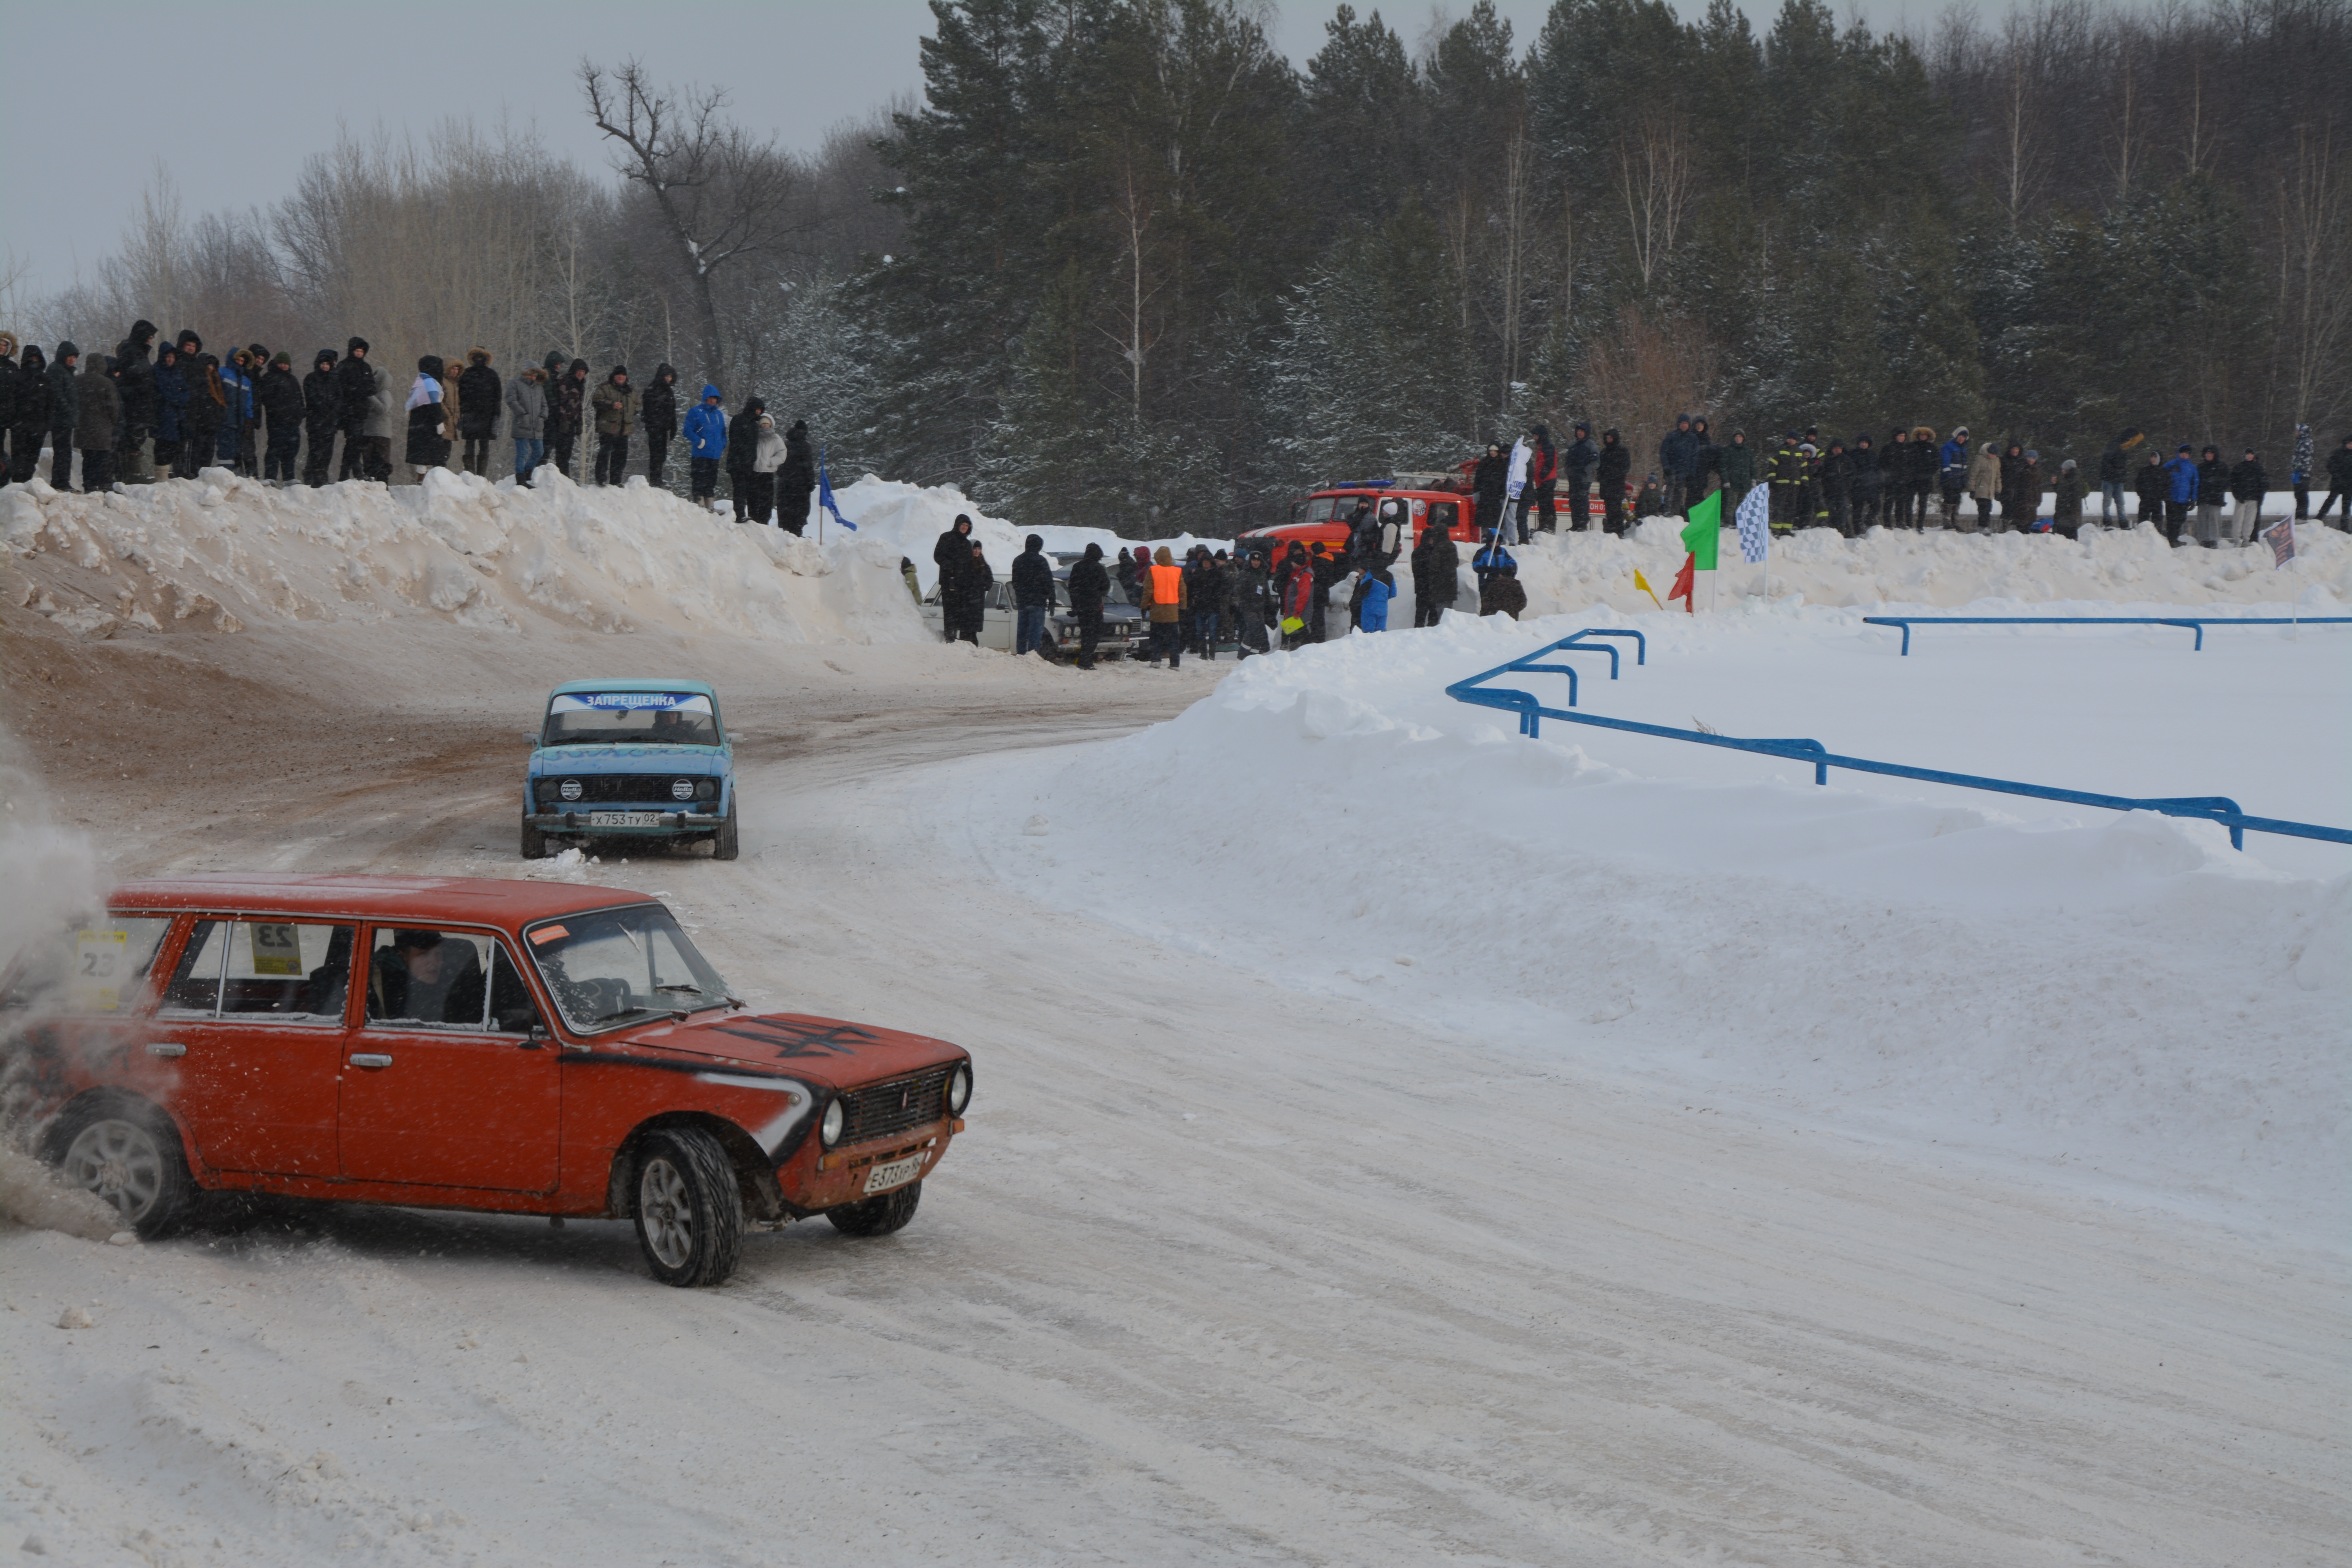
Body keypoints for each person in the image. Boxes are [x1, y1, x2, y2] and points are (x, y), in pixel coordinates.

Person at [110, 319, 158, 485]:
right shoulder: (131, 351)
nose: (150, 340)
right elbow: (130, 376)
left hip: (140, 403)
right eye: (149, 337)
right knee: (133, 438)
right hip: (135, 403)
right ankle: (132, 474)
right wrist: (142, 386)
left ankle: (131, 474)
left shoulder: (138, 352)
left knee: (137, 437)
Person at [74, 353, 120, 492]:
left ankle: (89, 485)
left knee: (87, 458)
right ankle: (104, 486)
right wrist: (112, 423)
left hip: (83, 428)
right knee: (103, 458)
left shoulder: (77, 381)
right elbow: (114, 408)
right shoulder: (106, 383)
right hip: (102, 428)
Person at [334, 338, 378, 481]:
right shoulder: (344, 366)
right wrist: (357, 390)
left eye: (362, 352)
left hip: (361, 410)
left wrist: (362, 390)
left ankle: (344, 474)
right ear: (352, 351)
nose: (359, 354)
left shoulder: (366, 368)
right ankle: (357, 472)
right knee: (354, 442)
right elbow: (339, 388)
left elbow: (372, 387)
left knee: (354, 443)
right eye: (357, 351)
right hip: (348, 411)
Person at [259, 352, 304, 483]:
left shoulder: (293, 379)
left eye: (286, 364)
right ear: (277, 363)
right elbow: (267, 399)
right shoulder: (270, 377)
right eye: (282, 363)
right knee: (275, 449)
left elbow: (300, 399)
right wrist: (279, 411)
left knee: (291, 451)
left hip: (293, 422)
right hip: (277, 422)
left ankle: (289, 478)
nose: (284, 366)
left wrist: (300, 414)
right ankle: (270, 476)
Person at [456, 349, 501, 477]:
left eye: (482, 357)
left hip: (487, 416)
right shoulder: (466, 374)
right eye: (477, 357)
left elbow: (498, 397)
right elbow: (460, 396)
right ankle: (470, 476)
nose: (479, 359)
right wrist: (460, 415)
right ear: (473, 358)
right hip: (469, 415)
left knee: (484, 445)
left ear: (486, 359)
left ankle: (481, 477)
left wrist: (497, 416)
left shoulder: (492, 375)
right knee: (469, 444)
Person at [8, 344, 49, 485]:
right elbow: (11, 400)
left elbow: (51, 403)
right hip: (20, 425)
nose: (34, 361)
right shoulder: (18, 377)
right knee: (19, 456)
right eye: (31, 358)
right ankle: (18, 484)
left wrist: (47, 423)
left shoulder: (45, 380)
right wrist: (14, 421)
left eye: (37, 358)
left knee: (32, 458)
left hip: (39, 425)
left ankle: (27, 482)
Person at [933, 514, 976, 641]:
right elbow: (938, 555)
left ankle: (955, 635)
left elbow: (969, 564)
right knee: (949, 609)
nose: (964, 527)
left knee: (959, 610)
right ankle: (949, 635)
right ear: (957, 525)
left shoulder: (967, 544)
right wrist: (951, 567)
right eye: (963, 525)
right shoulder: (946, 537)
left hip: (962, 583)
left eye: (967, 526)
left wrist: (969, 579)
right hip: (949, 580)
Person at [1141, 544, 1187, 667]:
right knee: (1173, 639)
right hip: (1172, 612)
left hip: (1157, 611)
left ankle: (1156, 660)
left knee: (1156, 637)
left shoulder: (1153, 571)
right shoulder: (1177, 571)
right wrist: (1183, 606)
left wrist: (1144, 606)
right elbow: (1182, 590)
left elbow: (1148, 591)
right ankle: (1175, 663)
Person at [180, 352, 223, 481]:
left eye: (213, 366)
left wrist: (219, 417)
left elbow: (220, 403)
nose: (211, 368)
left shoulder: (216, 382)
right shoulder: (198, 378)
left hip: (212, 423)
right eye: (209, 365)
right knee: (196, 449)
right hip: (200, 421)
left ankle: (205, 473)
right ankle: (193, 473)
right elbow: (196, 400)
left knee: (208, 450)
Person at [406, 356, 452, 475]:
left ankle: (421, 478)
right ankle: (432, 479)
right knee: (434, 453)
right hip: (428, 423)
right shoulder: (430, 383)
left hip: (418, 422)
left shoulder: (420, 381)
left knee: (421, 454)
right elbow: (434, 403)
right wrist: (439, 422)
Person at [1067, 541, 1110, 668]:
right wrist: (1097, 594)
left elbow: (1072, 587)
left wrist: (1076, 604)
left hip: (1080, 606)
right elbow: (1106, 586)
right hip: (1094, 605)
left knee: (1086, 633)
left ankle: (1084, 658)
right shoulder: (1098, 568)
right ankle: (1086, 660)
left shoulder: (1077, 567)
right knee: (1095, 634)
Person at [1410, 514, 1458, 627]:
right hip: (1424, 588)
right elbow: (1418, 572)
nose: (1432, 540)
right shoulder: (1419, 552)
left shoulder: (1438, 549)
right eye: (1430, 538)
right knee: (1421, 615)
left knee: (1434, 616)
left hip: (1434, 588)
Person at [724, 394, 767, 519]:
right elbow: (735, 440)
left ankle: (750, 515)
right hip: (737, 462)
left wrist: (751, 458)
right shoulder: (738, 420)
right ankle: (740, 514)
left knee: (749, 490)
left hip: (748, 463)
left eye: (760, 410)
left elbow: (753, 445)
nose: (758, 412)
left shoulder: (754, 425)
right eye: (757, 409)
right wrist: (745, 454)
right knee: (740, 489)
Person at [1011, 533, 1054, 655]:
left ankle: (1021, 654)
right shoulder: (1041, 561)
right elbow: (1048, 582)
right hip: (1037, 602)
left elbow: (1015, 582)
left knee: (1022, 632)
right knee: (1035, 633)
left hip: (1023, 601)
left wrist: (1021, 594)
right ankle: (1033, 656)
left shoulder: (1018, 560)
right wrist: (1051, 600)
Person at [301, 349, 339, 486]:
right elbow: (311, 398)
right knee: (316, 450)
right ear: (319, 364)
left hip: (330, 422)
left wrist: (333, 412)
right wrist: (324, 409)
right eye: (323, 364)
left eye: (327, 364)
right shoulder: (311, 378)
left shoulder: (334, 380)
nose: (325, 367)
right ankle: (312, 475)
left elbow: (339, 398)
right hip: (316, 421)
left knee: (328, 452)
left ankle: (322, 475)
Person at [683, 385, 725, 508]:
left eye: (715, 399)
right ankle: (699, 503)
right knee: (699, 478)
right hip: (700, 453)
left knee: (712, 480)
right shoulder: (696, 412)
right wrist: (699, 442)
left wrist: (722, 444)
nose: (713, 401)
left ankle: (710, 505)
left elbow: (723, 432)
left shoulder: (719, 414)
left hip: (715, 454)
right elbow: (687, 430)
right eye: (710, 398)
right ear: (705, 398)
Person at [43, 341, 79, 489]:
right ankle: (61, 482)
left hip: (65, 419)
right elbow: (57, 395)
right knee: (63, 452)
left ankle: (63, 481)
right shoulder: (56, 370)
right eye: (70, 356)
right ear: (63, 356)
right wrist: (69, 411)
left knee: (65, 452)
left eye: (75, 357)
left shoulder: (66, 372)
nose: (72, 359)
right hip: (60, 419)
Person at [590, 366, 633, 486]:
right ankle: (601, 479)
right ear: (614, 376)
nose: (621, 377)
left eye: (623, 375)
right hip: (608, 428)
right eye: (618, 375)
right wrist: (611, 405)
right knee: (605, 454)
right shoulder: (604, 388)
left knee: (621, 457)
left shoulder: (630, 391)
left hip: (624, 429)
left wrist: (631, 413)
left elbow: (637, 406)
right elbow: (596, 402)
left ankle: (616, 481)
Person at [149, 341, 187, 481]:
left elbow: (185, 390)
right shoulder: (156, 371)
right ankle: (161, 476)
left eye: (173, 357)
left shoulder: (176, 372)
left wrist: (179, 399)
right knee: (162, 446)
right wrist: (175, 398)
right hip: (162, 415)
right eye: (168, 356)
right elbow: (160, 392)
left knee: (174, 446)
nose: (171, 359)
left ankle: (170, 473)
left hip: (176, 416)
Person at [505, 365, 547, 485]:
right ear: (525, 373)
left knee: (539, 451)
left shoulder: (539, 388)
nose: (533, 378)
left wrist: (542, 417)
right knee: (522, 452)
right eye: (531, 374)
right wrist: (523, 414)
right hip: (521, 424)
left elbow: (545, 405)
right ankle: (520, 478)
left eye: (535, 375)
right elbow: (511, 399)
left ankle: (527, 473)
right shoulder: (515, 384)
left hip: (536, 426)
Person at [547, 358, 589, 478]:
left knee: (568, 452)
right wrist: (563, 420)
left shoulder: (580, 385)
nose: (581, 374)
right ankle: (562, 476)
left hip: (572, 422)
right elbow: (561, 402)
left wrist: (580, 423)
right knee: (561, 451)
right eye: (580, 371)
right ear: (574, 370)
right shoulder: (565, 381)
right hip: (560, 422)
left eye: (584, 372)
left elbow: (579, 406)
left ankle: (564, 476)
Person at [639, 364, 678, 491]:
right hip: (656, 427)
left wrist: (673, 426)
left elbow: (672, 411)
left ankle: (658, 478)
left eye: (670, 377)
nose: (668, 379)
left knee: (662, 455)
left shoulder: (668, 391)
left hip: (663, 427)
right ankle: (655, 479)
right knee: (656, 454)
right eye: (667, 376)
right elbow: (648, 410)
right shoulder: (653, 389)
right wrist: (654, 423)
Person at [742, 412, 784, 524]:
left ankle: (765, 520)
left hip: (767, 473)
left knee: (767, 499)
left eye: (767, 424)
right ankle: (753, 518)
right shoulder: (754, 436)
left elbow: (782, 453)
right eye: (763, 424)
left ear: (771, 425)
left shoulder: (776, 439)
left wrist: (771, 462)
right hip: (754, 472)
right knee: (753, 497)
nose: (765, 426)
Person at [777, 418, 816, 535]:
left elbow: (780, 466)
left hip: (785, 485)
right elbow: (808, 466)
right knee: (799, 511)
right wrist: (811, 482)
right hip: (800, 485)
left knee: (786, 510)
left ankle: (786, 533)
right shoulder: (805, 446)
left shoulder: (785, 444)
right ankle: (797, 533)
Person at [1517, 423, 1557, 538]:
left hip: (1547, 480)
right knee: (1543, 504)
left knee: (1547, 503)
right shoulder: (1542, 447)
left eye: (1536, 436)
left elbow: (1550, 464)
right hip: (1542, 481)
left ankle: (1549, 526)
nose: (1534, 438)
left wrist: (1543, 475)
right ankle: (1544, 525)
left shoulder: (1548, 447)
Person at [1233, 547, 1272, 655]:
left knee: (1260, 630)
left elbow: (1266, 591)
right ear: (1250, 561)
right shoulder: (1244, 573)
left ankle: (1255, 653)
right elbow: (1237, 590)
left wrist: (1270, 604)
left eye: (1258, 561)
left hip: (1260, 607)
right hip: (1248, 607)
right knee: (1253, 629)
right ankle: (1243, 653)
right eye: (1254, 560)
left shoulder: (1263, 574)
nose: (1256, 563)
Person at [2098, 429, 2140, 525]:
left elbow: (2122, 465)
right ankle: (2109, 520)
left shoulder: (2123, 447)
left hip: (2117, 479)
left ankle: (2122, 521)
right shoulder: (2116, 446)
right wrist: (2116, 472)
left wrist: (2121, 474)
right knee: (2109, 501)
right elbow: (2106, 462)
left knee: (2119, 501)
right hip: (2109, 479)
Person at [956, 541, 995, 645]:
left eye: (979, 549)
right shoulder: (965, 563)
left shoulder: (984, 566)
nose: (977, 551)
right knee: (964, 635)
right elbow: (960, 581)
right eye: (975, 549)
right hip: (965, 603)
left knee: (973, 634)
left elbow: (990, 581)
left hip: (977, 604)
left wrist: (983, 586)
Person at [1657, 414, 1696, 515]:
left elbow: (1695, 457)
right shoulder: (1671, 436)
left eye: (1686, 423)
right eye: (1682, 423)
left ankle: (1675, 513)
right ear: (1679, 424)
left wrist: (1692, 473)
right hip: (1671, 469)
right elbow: (1663, 452)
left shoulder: (1693, 438)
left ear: (1689, 425)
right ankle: (1667, 512)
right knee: (1670, 490)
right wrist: (1666, 467)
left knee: (1679, 493)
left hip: (1684, 471)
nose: (1684, 425)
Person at [1561, 422, 1596, 530]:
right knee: (1573, 501)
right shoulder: (1573, 445)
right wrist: (1568, 470)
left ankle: (1583, 524)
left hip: (1584, 479)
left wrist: (1586, 470)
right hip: (1573, 478)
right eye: (1578, 431)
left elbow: (1596, 462)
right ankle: (1576, 524)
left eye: (1582, 431)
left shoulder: (1591, 446)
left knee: (1582, 501)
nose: (1580, 433)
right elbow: (1567, 460)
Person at [1596, 428, 1630, 535]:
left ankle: (1618, 532)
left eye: (1611, 438)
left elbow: (1626, 467)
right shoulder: (1604, 452)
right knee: (1609, 511)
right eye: (1607, 438)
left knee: (1617, 511)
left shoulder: (1623, 451)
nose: (1609, 439)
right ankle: (1610, 531)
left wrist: (1614, 475)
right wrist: (1601, 478)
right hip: (1606, 486)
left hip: (1617, 486)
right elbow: (1600, 468)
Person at [2229, 448, 2267, 545]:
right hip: (2241, 499)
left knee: (2250, 522)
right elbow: (2233, 483)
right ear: (2245, 456)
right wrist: (2237, 495)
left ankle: (2247, 539)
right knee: (2238, 520)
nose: (2250, 456)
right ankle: (2237, 540)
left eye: (2251, 454)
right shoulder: (2239, 467)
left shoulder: (2259, 468)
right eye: (2248, 454)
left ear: (2254, 456)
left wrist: (2260, 496)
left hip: (2254, 499)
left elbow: (2265, 484)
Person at [2163, 444, 2199, 543]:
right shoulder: (2171, 465)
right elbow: (2161, 478)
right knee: (2171, 520)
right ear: (2179, 453)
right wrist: (2164, 493)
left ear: (2190, 455)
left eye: (2187, 454)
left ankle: (2175, 538)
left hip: (2184, 499)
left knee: (2181, 519)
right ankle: (2171, 539)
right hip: (2171, 498)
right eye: (2182, 453)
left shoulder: (2192, 468)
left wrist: (2193, 499)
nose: (2184, 455)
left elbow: (2195, 484)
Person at [2194, 444, 2229, 546]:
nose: (2209, 455)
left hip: (2215, 498)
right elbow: (2196, 482)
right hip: (2203, 498)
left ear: (2215, 455)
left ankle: (2214, 540)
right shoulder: (2200, 467)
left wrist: (2214, 485)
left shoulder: (2222, 467)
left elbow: (2226, 483)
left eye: (2211, 453)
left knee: (2214, 519)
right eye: (2207, 454)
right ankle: (2203, 539)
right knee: (2202, 519)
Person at [1472, 441, 1508, 538]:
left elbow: (1505, 480)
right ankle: (1485, 536)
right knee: (1484, 518)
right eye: (1491, 451)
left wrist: (1503, 494)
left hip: (1497, 496)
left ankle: (1496, 537)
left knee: (1496, 518)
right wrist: (1476, 492)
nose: (1492, 453)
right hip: (1485, 494)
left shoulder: (1503, 464)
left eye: (1494, 451)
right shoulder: (1484, 463)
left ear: (1498, 452)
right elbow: (1478, 478)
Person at [1820, 438, 1854, 536]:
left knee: (1842, 510)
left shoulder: (1847, 460)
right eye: (1835, 448)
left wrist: (1847, 485)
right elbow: (1822, 474)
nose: (1837, 450)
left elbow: (1852, 474)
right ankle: (1833, 528)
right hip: (1829, 490)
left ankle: (1843, 529)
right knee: (1830, 510)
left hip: (1843, 490)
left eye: (1839, 448)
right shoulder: (1827, 460)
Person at [1965, 439, 2000, 532]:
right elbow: (1973, 475)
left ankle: (1985, 526)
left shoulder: (1997, 461)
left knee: (1988, 508)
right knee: (1983, 508)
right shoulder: (1980, 459)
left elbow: (1998, 477)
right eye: (1992, 454)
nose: (1993, 456)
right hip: (1980, 489)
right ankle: (1982, 526)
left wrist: (1998, 491)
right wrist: (1972, 489)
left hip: (1990, 490)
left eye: (1995, 454)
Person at [1938, 426, 1970, 528]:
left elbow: (1963, 467)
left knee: (1957, 500)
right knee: (1948, 499)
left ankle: (1955, 522)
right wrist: (1949, 476)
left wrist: (1964, 479)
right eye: (1960, 436)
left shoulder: (1963, 449)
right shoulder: (1948, 446)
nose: (1962, 439)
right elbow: (1945, 462)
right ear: (1956, 436)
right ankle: (1947, 522)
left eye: (1964, 437)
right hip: (1949, 479)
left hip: (1959, 480)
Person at [1718, 430, 1753, 519]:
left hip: (1745, 482)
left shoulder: (1748, 451)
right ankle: (1729, 521)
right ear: (1734, 438)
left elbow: (1752, 466)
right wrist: (1726, 480)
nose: (1738, 439)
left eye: (1740, 437)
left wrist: (1754, 479)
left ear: (1743, 439)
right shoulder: (1728, 450)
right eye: (1736, 437)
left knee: (1743, 505)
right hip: (1732, 483)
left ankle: (1739, 522)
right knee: (1731, 504)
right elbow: (1723, 467)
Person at [1849, 434, 1882, 530]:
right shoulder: (1853, 454)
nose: (1864, 445)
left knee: (1877, 506)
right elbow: (1849, 470)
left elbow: (1878, 470)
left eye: (1866, 443)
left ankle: (1869, 521)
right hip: (1858, 487)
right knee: (1857, 510)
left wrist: (1880, 483)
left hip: (1872, 486)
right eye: (1862, 443)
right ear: (1859, 444)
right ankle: (1858, 531)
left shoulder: (1873, 455)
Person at [2321, 435, 2352, 528]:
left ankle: (2345, 527)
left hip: (2349, 484)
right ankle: (2319, 519)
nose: (2351, 446)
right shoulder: (2338, 453)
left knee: (2346, 506)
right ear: (2346, 444)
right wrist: (2338, 476)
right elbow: (2331, 466)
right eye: (2350, 444)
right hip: (2338, 482)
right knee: (2330, 501)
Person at [2132, 447, 2168, 527]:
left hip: (2157, 502)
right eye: (2152, 457)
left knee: (2157, 525)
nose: (2153, 459)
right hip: (2145, 501)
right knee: (2143, 524)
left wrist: (2162, 496)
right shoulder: (2144, 471)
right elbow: (2138, 483)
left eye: (2155, 457)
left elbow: (2167, 486)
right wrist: (2142, 495)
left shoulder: (2164, 472)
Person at [2051, 458, 2085, 537]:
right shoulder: (2070, 479)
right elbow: (2062, 492)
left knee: (2069, 536)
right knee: (2067, 535)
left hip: (2068, 513)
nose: (2062, 471)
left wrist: (2069, 508)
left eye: (2064, 469)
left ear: (2068, 469)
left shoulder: (2073, 480)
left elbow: (2072, 496)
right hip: (2067, 513)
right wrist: (2055, 484)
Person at [1356, 564, 1395, 632]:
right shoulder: (1390, 575)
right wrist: (1382, 598)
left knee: (1368, 631)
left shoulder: (1370, 575)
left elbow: (1363, 591)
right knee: (1381, 631)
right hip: (1383, 608)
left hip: (1369, 606)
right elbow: (1394, 594)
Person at [2289, 424, 2313, 520]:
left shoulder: (2306, 442)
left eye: (2297, 431)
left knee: (2302, 495)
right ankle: (2299, 516)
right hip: (2299, 473)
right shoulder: (2301, 442)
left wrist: (2298, 468)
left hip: (2303, 474)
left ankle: (2302, 517)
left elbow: (2304, 458)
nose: (2296, 433)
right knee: (2299, 496)